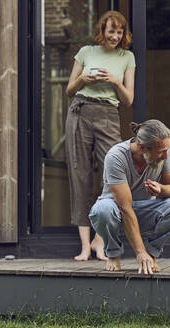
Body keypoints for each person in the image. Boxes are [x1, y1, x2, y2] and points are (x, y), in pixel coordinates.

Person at [65, 11, 135, 261]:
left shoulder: (127, 57)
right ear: (102, 31)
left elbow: (128, 100)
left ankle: (99, 239)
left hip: (108, 114)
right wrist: (83, 78)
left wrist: (116, 82)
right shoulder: (86, 52)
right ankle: (84, 245)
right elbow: (69, 90)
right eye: (111, 31)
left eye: (119, 31)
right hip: (80, 110)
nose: (115, 36)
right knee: (80, 174)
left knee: (111, 176)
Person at [89, 120, 170, 273]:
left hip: (145, 210)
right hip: (116, 211)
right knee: (102, 210)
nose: (165, 156)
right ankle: (113, 253)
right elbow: (125, 208)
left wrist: (161, 189)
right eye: (161, 151)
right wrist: (139, 252)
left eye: (167, 150)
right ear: (142, 147)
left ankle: (151, 254)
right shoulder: (116, 156)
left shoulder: (166, 151)